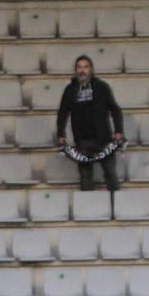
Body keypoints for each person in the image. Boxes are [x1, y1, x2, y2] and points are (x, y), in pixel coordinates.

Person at [56, 55, 125, 194]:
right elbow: (62, 113)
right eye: (79, 67)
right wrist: (60, 135)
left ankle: (116, 204)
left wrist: (118, 131)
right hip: (82, 141)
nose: (82, 70)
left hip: (104, 140)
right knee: (85, 176)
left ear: (91, 69)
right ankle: (87, 207)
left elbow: (115, 110)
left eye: (85, 67)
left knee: (110, 173)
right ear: (76, 70)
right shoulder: (70, 90)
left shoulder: (102, 87)